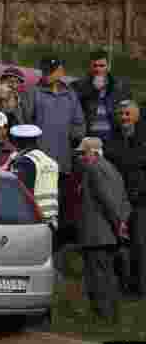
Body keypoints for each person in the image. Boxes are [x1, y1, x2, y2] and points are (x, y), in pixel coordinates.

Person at [22, 56, 86, 236]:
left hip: (63, 163)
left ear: (61, 72)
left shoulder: (70, 96)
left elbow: (79, 123)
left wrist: (74, 138)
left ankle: (57, 245)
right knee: (39, 209)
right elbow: (24, 122)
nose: (47, 75)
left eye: (51, 71)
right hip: (39, 164)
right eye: (45, 71)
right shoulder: (33, 93)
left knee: (60, 208)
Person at [76, 136, 131, 323]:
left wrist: (118, 222)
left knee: (97, 276)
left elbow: (105, 199)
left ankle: (102, 315)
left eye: (83, 153)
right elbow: (124, 199)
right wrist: (121, 223)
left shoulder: (93, 169)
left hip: (96, 233)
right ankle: (112, 315)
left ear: (93, 152)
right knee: (109, 274)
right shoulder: (113, 168)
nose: (80, 158)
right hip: (110, 233)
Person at [110, 100, 146, 298]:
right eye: (121, 114)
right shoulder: (113, 138)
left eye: (127, 114)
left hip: (140, 200)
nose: (124, 118)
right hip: (119, 200)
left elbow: (131, 160)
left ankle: (140, 288)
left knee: (139, 244)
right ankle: (122, 286)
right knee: (120, 245)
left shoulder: (142, 137)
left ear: (136, 116)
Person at [74, 51, 130, 150]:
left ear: (108, 66)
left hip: (112, 136)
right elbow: (75, 110)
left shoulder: (118, 86)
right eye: (95, 66)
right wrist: (92, 89)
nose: (98, 69)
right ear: (90, 67)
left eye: (102, 66)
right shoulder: (80, 86)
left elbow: (128, 110)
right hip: (90, 137)